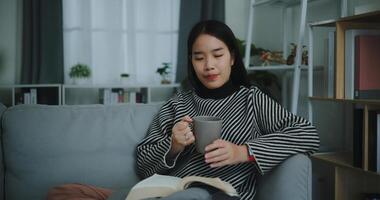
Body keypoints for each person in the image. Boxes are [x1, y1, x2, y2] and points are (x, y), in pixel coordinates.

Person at [47, 20, 319, 200]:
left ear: (233, 58)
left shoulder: (252, 100)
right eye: (199, 58)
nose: (209, 65)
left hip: (217, 194)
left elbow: (308, 134)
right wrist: (174, 146)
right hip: (167, 192)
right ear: (191, 62)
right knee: (62, 194)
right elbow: (143, 164)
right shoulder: (177, 104)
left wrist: (242, 152)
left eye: (217, 55)